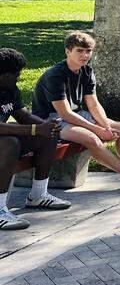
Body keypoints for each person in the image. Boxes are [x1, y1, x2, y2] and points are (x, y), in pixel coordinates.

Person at [31, 33, 120, 192]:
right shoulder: (55, 76)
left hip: (78, 114)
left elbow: (93, 104)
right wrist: (97, 129)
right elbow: (65, 113)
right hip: (52, 120)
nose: (85, 55)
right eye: (79, 51)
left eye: (88, 51)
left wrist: (106, 126)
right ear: (68, 51)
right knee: (92, 138)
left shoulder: (86, 71)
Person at [1, 48, 71, 230]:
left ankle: (38, 195)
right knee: (11, 143)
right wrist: (35, 129)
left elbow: (23, 116)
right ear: (3, 75)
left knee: (47, 136)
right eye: (16, 75)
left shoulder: (9, 89)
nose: (18, 78)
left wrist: (47, 127)